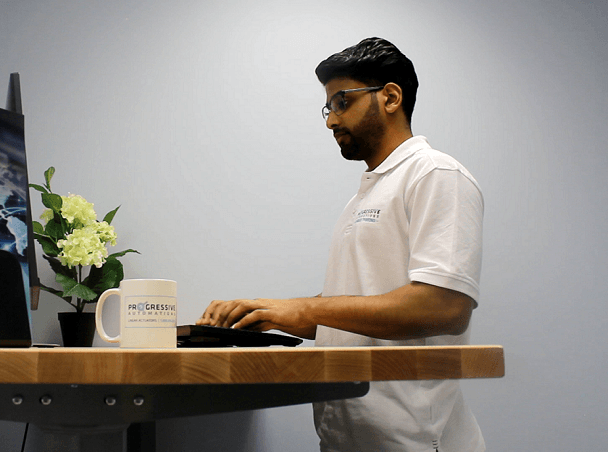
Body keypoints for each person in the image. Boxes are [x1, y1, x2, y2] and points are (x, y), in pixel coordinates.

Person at [197, 37, 485, 451]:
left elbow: (444, 306)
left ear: (390, 97)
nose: (331, 120)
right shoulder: (364, 197)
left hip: (415, 442)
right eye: (328, 107)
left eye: (342, 102)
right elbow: (356, 311)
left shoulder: (436, 175)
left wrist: (304, 307)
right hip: (349, 439)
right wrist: (271, 314)